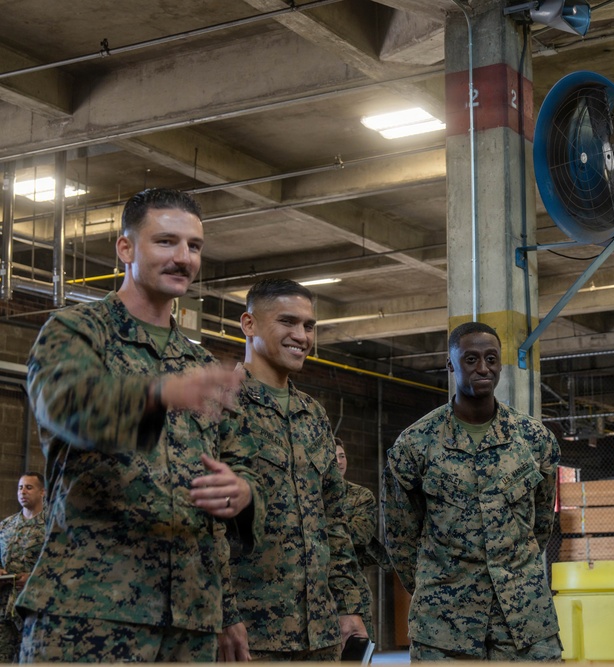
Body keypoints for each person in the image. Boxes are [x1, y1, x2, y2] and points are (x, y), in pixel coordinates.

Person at [20, 188, 262, 662]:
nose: (184, 258)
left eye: (194, 247)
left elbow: (232, 473)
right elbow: (66, 407)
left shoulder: (198, 361)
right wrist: (159, 394)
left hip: (191, 619)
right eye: (166, 242)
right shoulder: (79, 330)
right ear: (126, 248)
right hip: (91, 609)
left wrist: (245, 493)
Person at [381, 321, 561, 661]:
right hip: (444, 626)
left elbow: (539, 525)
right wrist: (438, 588)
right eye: (471, 359)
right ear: (450, 364)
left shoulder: (534, 439)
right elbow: (400, 537)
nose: (483, 368)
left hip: (524, 621)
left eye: (491, 359)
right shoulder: (416, 444)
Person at [220, 278, 367, 662]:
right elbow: (201, 527)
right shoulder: (221, 406)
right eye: (288, 322)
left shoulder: (313, 414)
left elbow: (334, 519)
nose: (301, 336)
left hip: (319, 633)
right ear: (249, 324)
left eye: (309, 326)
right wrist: (222, 614)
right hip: (250, 634)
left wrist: (349, 604)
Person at [336, 439, 389, 639]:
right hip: (316, 584)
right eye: (334, 457)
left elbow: (361, 534)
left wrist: (323, 527)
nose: (340, 462)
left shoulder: (360, 495)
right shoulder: (311, 495)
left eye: (342, 456)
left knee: (358, 648)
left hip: (352, 582)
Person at [0, 473, 46, 663]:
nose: (23, 492)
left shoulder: (53, 525)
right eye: (20, 487)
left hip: (36, 609)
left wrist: (35, 578)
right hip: (4, 610)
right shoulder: (6, 526)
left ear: (43, 492)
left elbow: (67, 566)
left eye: (29, 487)